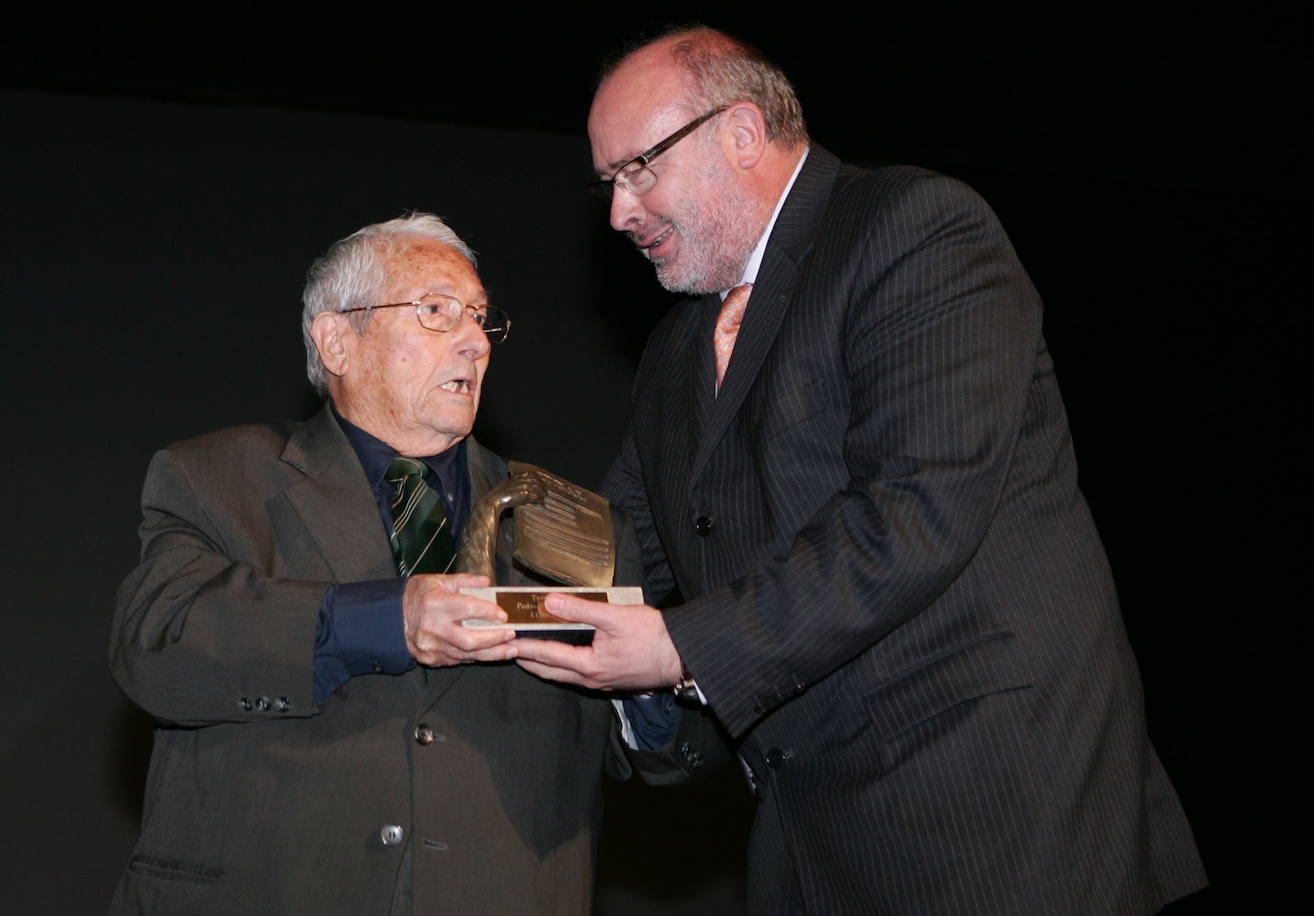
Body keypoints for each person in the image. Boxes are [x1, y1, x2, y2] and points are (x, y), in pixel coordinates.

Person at [513, 27, 1209, 914]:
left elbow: (919, 511)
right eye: (608, 183)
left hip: (991, 817)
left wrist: (682, 647)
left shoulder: (915, 229)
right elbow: (617, 541)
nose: (619, 212)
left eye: (639, 168)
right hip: (812, 836)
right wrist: (471, 565)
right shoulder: (676, 351)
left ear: (741, 132)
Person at [108, 213, 700, 915]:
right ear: (337, 340)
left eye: (481, 319)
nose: (475, 341)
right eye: (435, 311)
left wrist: (654, 681)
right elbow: (158, 644)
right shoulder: (221, 478)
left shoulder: (573, 524)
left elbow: (659, 752)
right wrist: (390, 619)